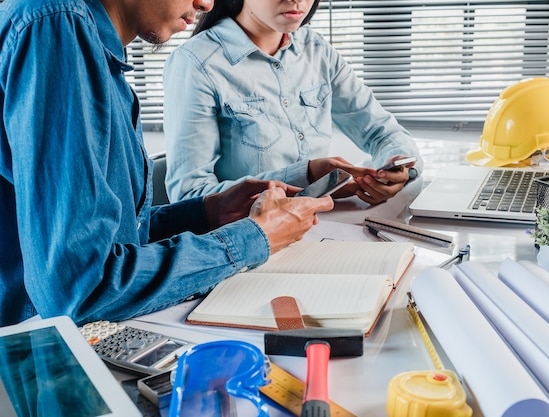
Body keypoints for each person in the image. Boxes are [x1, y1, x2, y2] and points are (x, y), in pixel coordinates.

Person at [0, 0, 334, 327]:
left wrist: (206, 213)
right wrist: (253, 238)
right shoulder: (56, 25)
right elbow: (82, 287)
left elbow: (106, 237)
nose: (205, 5)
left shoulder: (96, 49)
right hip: (31, 349)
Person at [162, 0, 423, 206]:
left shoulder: (316, 49)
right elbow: (190, 197)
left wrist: (394, 172)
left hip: (325, 228)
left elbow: (383, 132)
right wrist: (308, 177)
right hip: (249, 241)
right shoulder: (196, 63)